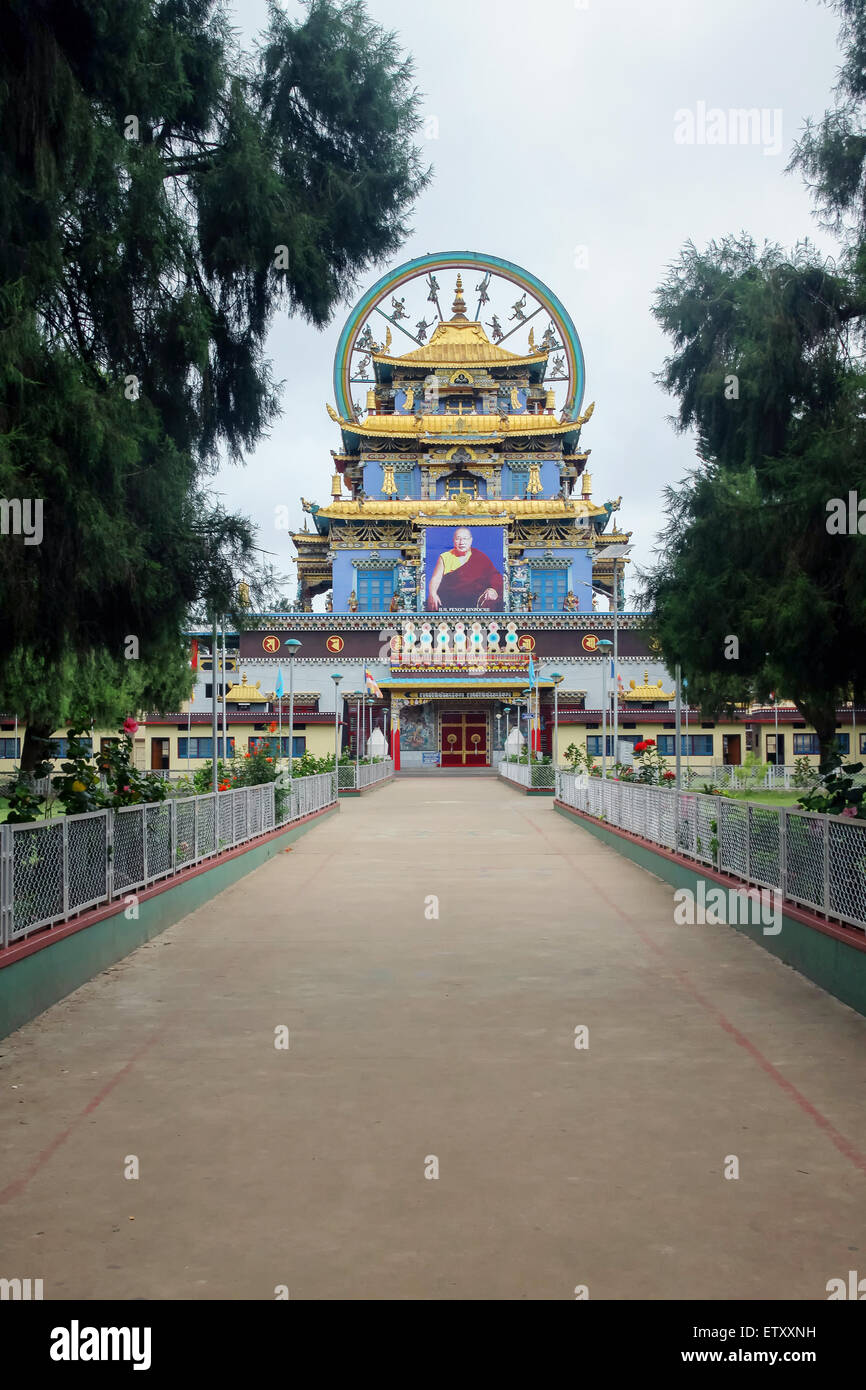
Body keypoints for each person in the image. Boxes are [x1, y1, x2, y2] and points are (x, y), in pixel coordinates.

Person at [427, 527, 503, 611]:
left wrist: (493, 589)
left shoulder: (480, 557)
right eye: (458, 539)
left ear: (471, 541)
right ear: (453, 541)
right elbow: (436, 578)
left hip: (475, 602)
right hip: (448, 601)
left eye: (465, 539)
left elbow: (495, 576)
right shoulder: (445, 557)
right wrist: (432, 593)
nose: (461, 542)